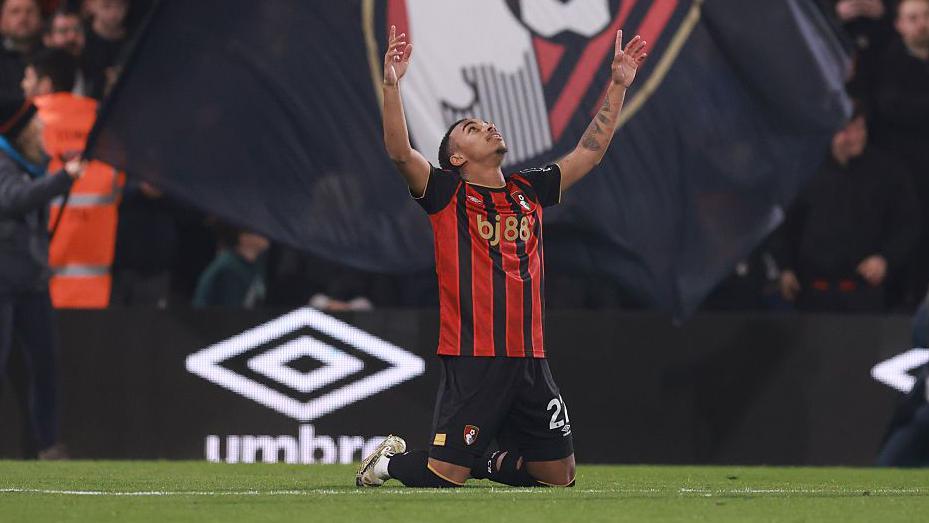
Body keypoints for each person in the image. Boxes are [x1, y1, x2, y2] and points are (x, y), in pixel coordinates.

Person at [356, 26, 647, 489]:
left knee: (557, 477)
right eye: (472, 129)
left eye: (485, 123)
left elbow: (589, 154)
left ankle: (478, 461)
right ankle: (389, 464)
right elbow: (398, 152)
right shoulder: (445, 193)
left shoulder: (528, 190)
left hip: (530, 355)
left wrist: (617, 83)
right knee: (442, 476)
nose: (489, 126)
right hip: (475, 355)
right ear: (455, 158)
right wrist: (392, 86)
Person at [0, 95, 83, 458]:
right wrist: (64, 178)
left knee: (46, 367)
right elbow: (14, 199)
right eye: (37, 126)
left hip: (32, 282)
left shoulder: (31, 165)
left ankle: (47, 445)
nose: (43, 131)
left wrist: (60, 173)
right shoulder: (3, 163)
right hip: (3, 283)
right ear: (21, 132)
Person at [773, 107, 919, 313]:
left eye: (860, 129)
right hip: (812, 292)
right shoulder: (806, 170)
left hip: (864, 293)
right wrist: (784, 267)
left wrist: (885, 258)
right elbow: (783, 222)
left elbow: (907, 224)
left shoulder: (887, 173)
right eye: (847, 130)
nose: (855, 137)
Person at [871, 0, 929, 307]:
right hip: (905, 175)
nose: (922, 24)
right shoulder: (889, 62)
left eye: (927, 16)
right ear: (899, 25)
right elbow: (892, 107)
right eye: (913, 18)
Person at [192, 223, 269, 308]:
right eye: (258, 232)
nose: (266, 234)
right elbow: (229, 311)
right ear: (244, 237)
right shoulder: (229, 267)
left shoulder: (257, 264)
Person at [0, 0, 43, 97]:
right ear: (1, 20)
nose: (23, 18)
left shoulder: (54, 57)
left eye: (30, 11)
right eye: (15, 11)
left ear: (40, 18)